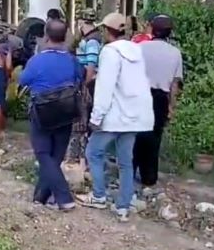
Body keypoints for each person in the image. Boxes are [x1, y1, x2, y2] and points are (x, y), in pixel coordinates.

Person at [78, 12, 154, 222]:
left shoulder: (110, 52)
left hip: (115, 115)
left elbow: (105, 87)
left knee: (93, 152)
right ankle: (123, 205)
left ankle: (99, 196)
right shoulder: (137, 50)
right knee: (125, 161)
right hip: (136, 115)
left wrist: (96, 117)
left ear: (107, 31)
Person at [19, 19, 81, 212]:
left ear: (45, 37)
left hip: (42, 114)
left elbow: (23, 80)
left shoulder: (37, 60)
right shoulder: (72, 60)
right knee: (55, 157)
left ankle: (64, 198)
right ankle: (40, 196)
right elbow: (79, 78)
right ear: (65, 38)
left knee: (43, 155)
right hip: (66, 113)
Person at [133, 15, 183, 190]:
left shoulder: (139, 48)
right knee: (155, 137)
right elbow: (174, 84)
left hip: (140, 94)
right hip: (161, 97)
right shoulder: (175, 53)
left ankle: (130, 171)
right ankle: (149, 176)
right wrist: (171, 106)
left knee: (136, 133)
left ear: (151, 29)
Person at [65, 10, 102, 168]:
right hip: (86, 82)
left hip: (88, 84)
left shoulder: (92, 41)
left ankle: (81, 159)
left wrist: (83, 85)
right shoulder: (88, 38)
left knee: (81, 122)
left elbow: (91, 66)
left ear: (81, 22)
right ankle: (80, 158)